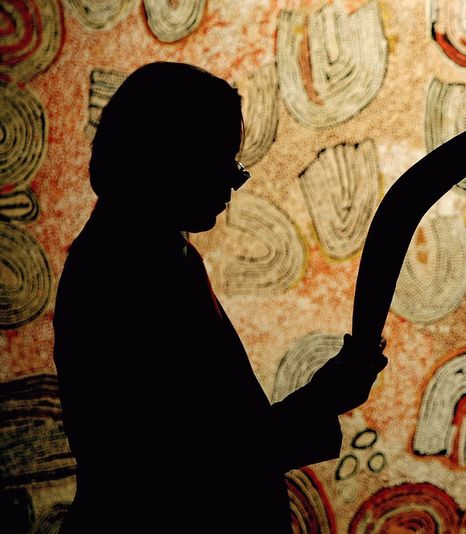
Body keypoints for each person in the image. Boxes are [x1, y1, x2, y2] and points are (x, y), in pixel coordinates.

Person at [52, 61, 388, 532]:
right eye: (221, 156)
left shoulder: (159, 256)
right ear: (167, 155)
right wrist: (321, 399)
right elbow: (183, 471)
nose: (237, 177)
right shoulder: (123, 274)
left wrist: (321, 399)